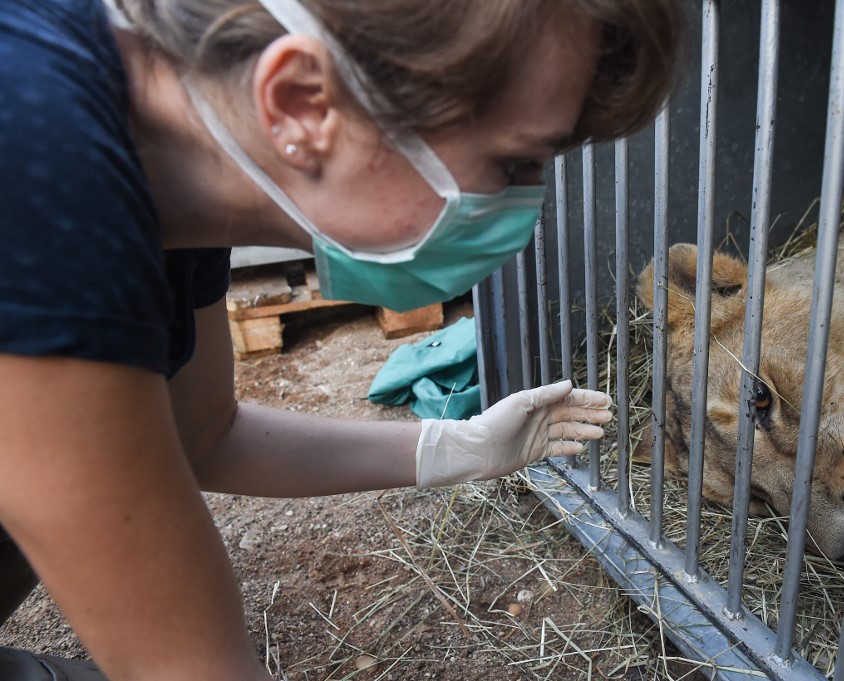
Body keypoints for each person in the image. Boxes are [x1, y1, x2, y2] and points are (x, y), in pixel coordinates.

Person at [0, 0, 681, 678]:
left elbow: (206, 436)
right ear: (302, 102)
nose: (522, 213)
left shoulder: (168, 183)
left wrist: (460, 447)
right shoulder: (39, 163)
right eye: (512, 164)